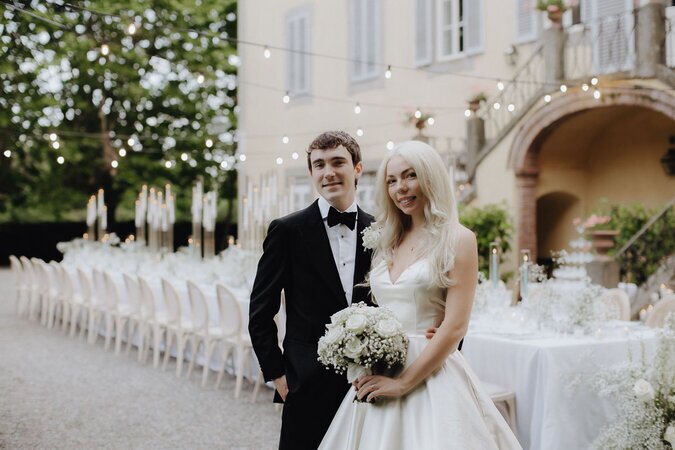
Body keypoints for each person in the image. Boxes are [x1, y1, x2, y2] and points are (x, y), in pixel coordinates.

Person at [319, 141, 522, 450]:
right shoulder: (386, 239)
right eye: (392, 180)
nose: (401, 188)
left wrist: (403, 383)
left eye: (410, 175)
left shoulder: (459, 239)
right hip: (381, 368)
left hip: (431, 373)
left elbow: (455, 326)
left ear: (431, 177)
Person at [248, 131, 375, 450]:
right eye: (319, 165)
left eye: (337, 162)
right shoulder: (287, 230)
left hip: (367, 383)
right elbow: (260, 313)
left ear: (357, 168)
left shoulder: (380, 231)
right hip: (305, 383)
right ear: (311, 173)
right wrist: (279, 377)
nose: (328, 171)